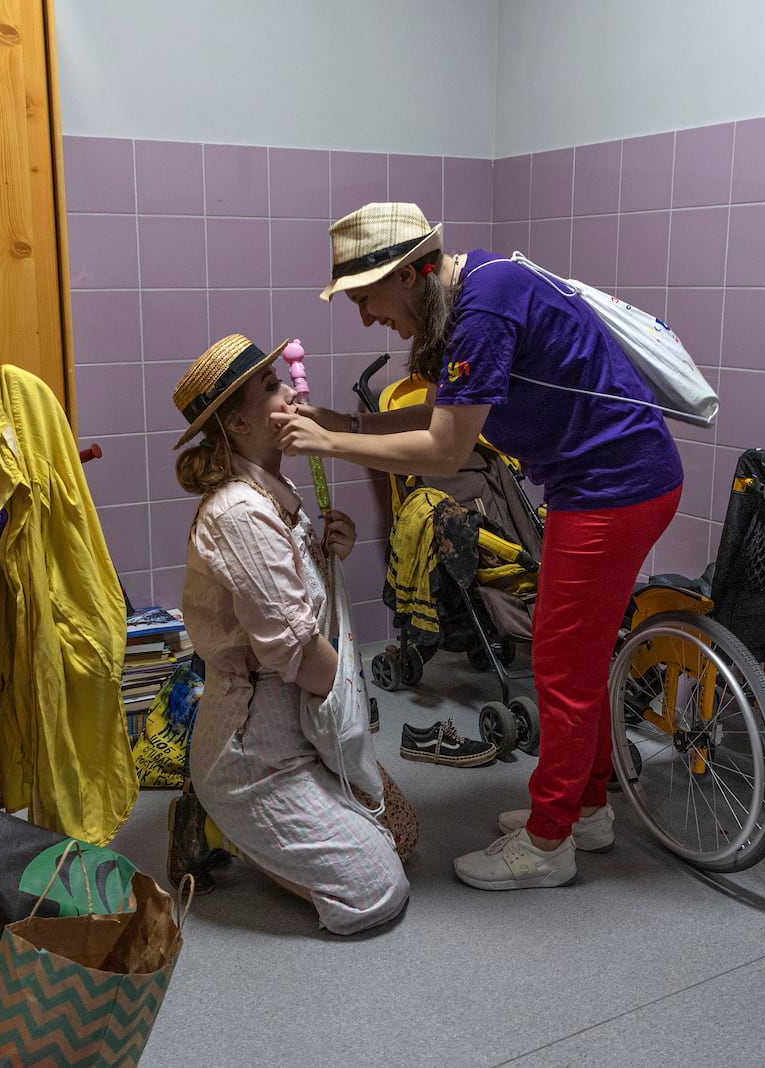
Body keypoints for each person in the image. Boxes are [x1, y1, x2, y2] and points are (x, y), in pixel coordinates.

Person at [273, 203, 684, 891]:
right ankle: (583, 810)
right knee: (574, 661)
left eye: (366, 298)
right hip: (607, 483)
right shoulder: (479, 289)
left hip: (615, 487)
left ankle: (549, 843)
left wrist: (330, 441)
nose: (368, 318)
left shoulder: (484, 310)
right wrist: (349, 420)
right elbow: (446, 412)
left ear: (408, 275)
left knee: (560, 669)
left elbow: (445, 448)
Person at [171, 332, 411, 935]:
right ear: (239, 423)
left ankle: (259, 824)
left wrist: (330, 551)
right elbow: (303, 656)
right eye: (271, 388)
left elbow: (297, 599)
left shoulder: (276, 491)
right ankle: (219, 817)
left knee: (403, 832)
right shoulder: (238, 514)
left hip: (301, 725)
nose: (290, 394)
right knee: (379, 889)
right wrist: (349, 723)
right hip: (257, 754)